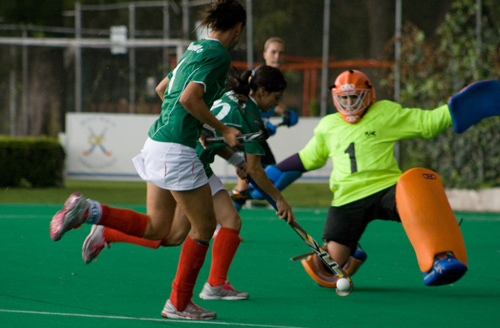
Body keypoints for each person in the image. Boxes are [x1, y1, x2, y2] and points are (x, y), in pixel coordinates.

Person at [49, 0, 247, 320]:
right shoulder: (220, 56)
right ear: (238, 28)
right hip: (177, 151)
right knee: (205, 225)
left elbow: (162, 89)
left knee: (162, 231)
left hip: (157, 141)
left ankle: (90, 210)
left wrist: (192, 123)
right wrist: (222, 129)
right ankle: (179, 304)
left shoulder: (195, 48)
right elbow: (187, 97)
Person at [80, 65, 295, 302]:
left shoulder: (232, 97)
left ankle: (215, 285)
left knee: (229, 221)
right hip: (187, 165)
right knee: (172, 235)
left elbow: (211, 137)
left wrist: (234, 158)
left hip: (192, 161)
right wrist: (280, 200)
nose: (275, 105)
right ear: (262, 91)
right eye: (276, 98)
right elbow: (256, 170)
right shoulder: (253, 119)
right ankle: (108, 231)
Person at [254, 69, 479, 289]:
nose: (350, 103)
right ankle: (350, 249)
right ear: (336, 98)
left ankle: (440, 258)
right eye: (344, 97)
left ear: (368, 95)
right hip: (347, 199)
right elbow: (307, 159)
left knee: (416, 191)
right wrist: (272, 174)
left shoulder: (385, 113)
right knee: (329, 268)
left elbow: (426, 123)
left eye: (355, 96)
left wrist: (454, 110)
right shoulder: (328, 126)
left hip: (387, 189)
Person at [230, 37, 298, 209]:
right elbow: (247, 102)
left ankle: (226, 221)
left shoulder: (274, 79)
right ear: (265, 54)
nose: (277, 56)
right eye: (273, 52)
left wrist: (284, 112)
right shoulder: (259, 77)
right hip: (243, 132)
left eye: (281, 53)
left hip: (254, 134)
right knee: (250, 180)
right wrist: (262, 124)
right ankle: (223, 223)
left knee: (262, 175)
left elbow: (270, 100)